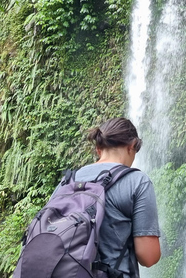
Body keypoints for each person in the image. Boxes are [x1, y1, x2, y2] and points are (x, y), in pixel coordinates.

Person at [75, 117, 161, 276]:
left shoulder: (71, 179)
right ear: (132, 146)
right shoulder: (137, 181)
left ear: (98, 149)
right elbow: (148, 257)